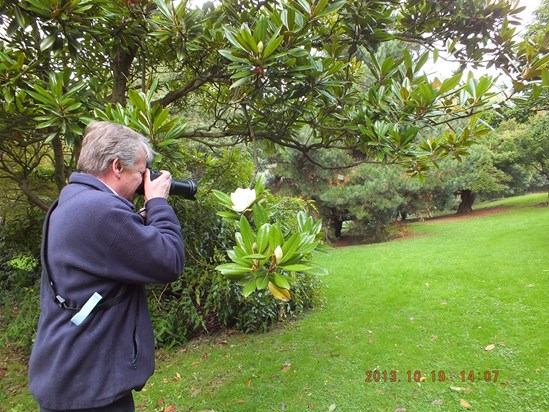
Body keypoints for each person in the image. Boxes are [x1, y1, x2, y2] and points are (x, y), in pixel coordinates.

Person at [28, 121, 185, 411]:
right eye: (140, 171)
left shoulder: (74, 200)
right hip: (88, 386)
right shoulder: (101, 211)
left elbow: (113, 245)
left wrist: (139, 219)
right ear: (116, 167)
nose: (143, 181)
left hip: (72, 374)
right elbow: (169, 261)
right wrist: (158, 203)